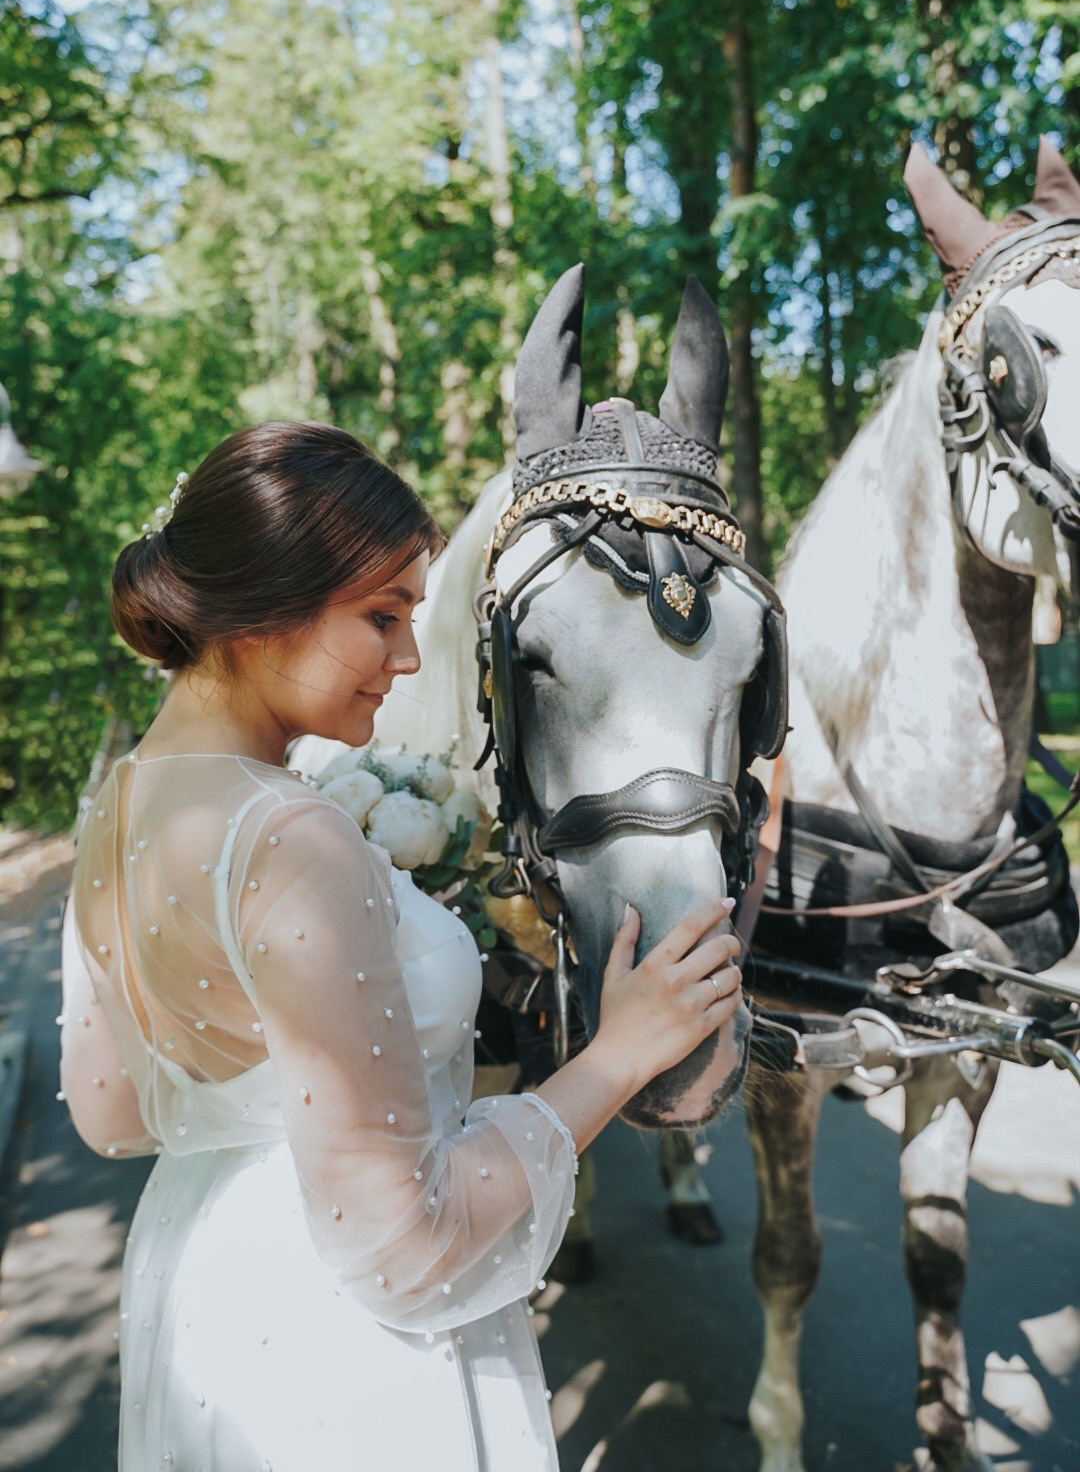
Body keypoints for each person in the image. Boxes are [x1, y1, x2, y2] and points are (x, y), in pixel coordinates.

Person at [60, 420, 743, 1472]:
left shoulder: (118, 809)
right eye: (382, 615)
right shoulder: (292, 835)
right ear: (260, 611)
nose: (410, 657)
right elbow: (404, 1248)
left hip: (202, 1294)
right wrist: (621, 1053)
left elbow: (110, 1114)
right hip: (341, 1365)